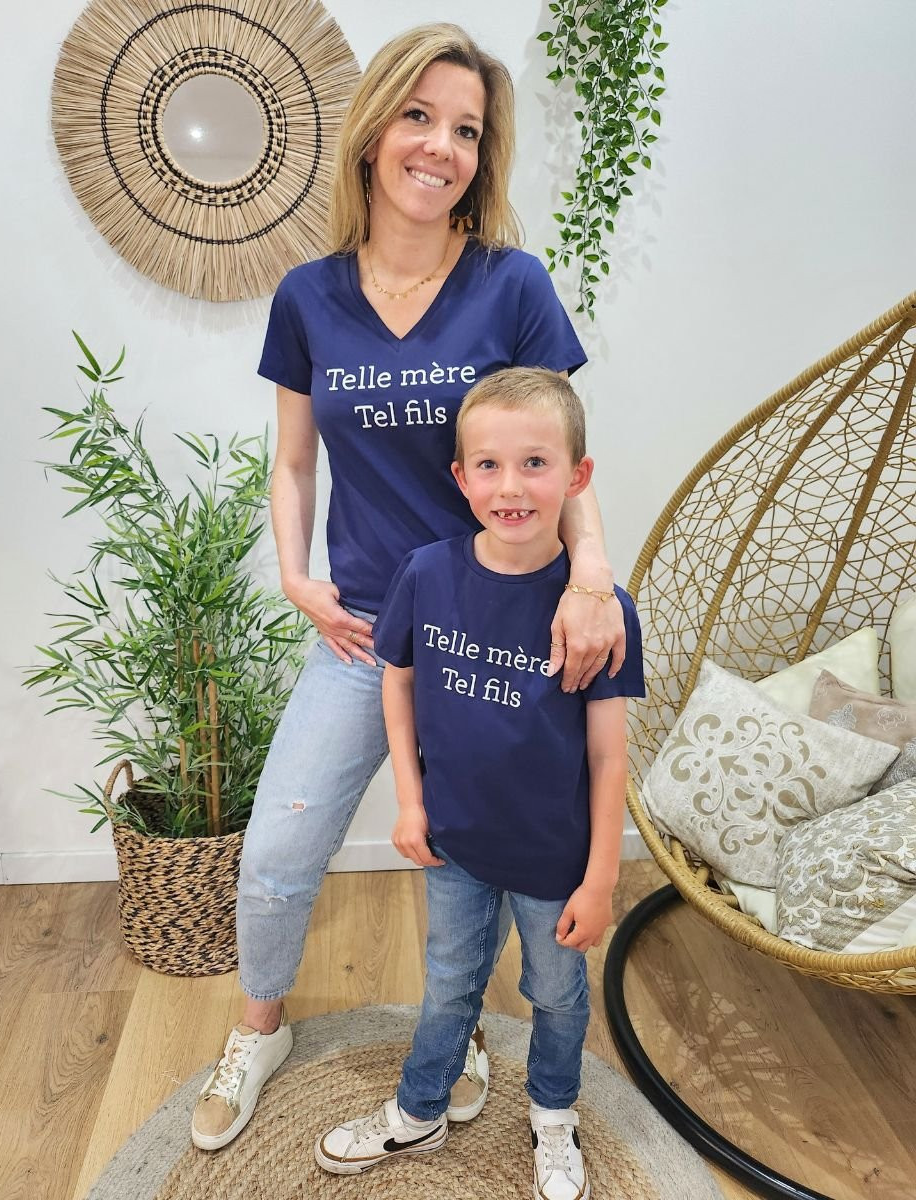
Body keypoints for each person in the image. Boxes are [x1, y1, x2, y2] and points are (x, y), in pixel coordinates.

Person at [191, 24, 629, 1152]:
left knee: (479, 849)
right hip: (364, 630)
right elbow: (295, 462)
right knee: (282, 846)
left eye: (468, 130)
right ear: (376, 129)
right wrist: (295, 573)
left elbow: (566, 452)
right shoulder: (309, 296)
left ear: (484, 157)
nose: (441, 146)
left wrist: (591, 574)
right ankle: (258, 1027)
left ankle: (464, 1032)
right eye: (421, 117)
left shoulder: (510, 285)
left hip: (496, 632)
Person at [314, 368, 644, 1198]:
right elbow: (396, 678)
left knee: (557, 997)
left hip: (553, 862)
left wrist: (603, 877)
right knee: (450, 984)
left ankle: (554, 1116)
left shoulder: (604, 614)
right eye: (488, 466)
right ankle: (418, 1108)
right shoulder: (426, 574)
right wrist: (412, 801)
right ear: (460, 478)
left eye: (535, 463)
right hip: (455, 845)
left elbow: (610, 757)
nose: (511, 486)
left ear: (577, 476)